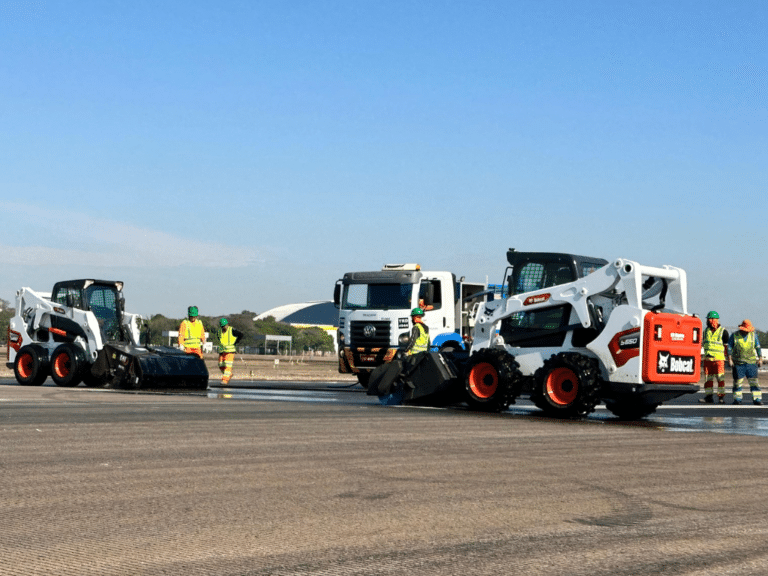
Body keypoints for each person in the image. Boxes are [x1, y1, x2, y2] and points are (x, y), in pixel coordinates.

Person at [728, 319, 763, 405]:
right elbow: (729, 347)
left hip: (751, 363)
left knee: (754, 382)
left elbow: (758, 347)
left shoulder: (753, 335)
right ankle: (737, 399)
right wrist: (730, 359)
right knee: (737, 383)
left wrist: (760, 358)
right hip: (739, 364)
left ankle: (757, 399)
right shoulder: (734, 335)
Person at [699, 311, 729, 404]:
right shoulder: (705, 332)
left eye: (711, 319)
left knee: (720, 379)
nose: (709, 321)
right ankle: (709, 397)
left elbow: (726, 347)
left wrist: (728, 358)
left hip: (719, 360)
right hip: (708, 360)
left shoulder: (723, 332)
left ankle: (721, 398)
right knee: (708, 379)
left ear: (716, 320)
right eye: (708, 319)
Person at [217, 318, 243, 386]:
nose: (224, 328)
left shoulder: (232, 330)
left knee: (228, 366)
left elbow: (240, 335)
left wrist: (235, 342)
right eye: (223, 326)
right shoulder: (219, 331)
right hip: (222, 351)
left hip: (230, 351)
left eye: (225, 326)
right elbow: (219, 339)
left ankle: (225, 380)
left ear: (227, 325)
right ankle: (229, 374)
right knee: (220, 365)